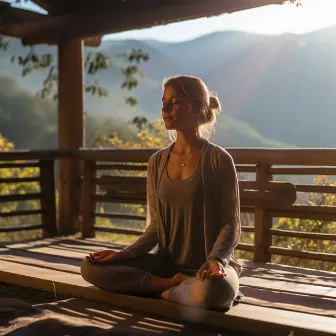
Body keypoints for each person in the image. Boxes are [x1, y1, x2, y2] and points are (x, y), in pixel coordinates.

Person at [81, 75, 241, 310]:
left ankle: (160, 290)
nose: (165, 108)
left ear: (197, 107)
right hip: (167, 266)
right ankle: (173, 286)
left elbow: (231, 224)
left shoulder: (219, 160)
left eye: (174, 102)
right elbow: (156, 227)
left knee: (218, 292)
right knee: (90, 268)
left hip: (209, 267)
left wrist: (217, 259)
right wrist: (123, 255)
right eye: (163, 101)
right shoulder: (156, 163)